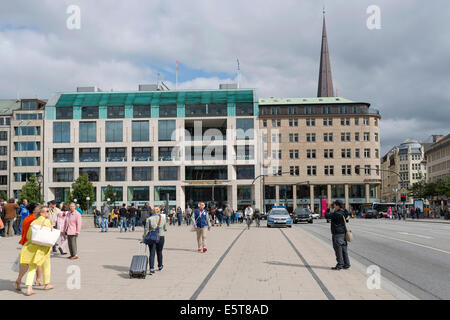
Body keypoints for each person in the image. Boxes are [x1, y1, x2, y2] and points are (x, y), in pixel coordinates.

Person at [18, 206, 55, 296]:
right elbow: (50, 235)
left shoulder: (33, 222)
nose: (48, 213)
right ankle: (46, 284)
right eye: (46, 211)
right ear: (41, 213)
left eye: (48, 211)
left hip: (34, 247)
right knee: (46, 265)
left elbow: (29, 236)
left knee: (32, 267)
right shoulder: (47, 221)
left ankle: (29, 288)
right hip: (44, 248)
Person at [15, 204, 43, 290]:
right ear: (35, 210)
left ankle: (35, 279)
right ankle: (35, 280)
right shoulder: (35, 219)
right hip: (33, 243)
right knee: (35, 263)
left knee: (27, 263)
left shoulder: (26, 218)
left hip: (25, 242)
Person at [326, 200, 350, 270]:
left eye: (335, 205)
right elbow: (347, 212)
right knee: (344, 250)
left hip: (337, 234)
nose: (334, 206)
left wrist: (328, 208)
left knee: (338, 250)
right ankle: (347, 264)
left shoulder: (336, 213)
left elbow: (327, 216)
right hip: (343, 234)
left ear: (337, 205)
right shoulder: (344, 212)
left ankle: (340, 265)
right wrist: (343, 207)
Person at [142, 206, 167, 274]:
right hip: (161, 236)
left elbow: (146, 230)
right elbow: (165, 228)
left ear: (153, 212)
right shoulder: (163, 219)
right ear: (159, 212)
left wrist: (143, 238)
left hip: (152, 236)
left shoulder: (149, 219)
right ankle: (160, 265)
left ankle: (151, 268)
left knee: (152, 253)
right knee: (159, 251)